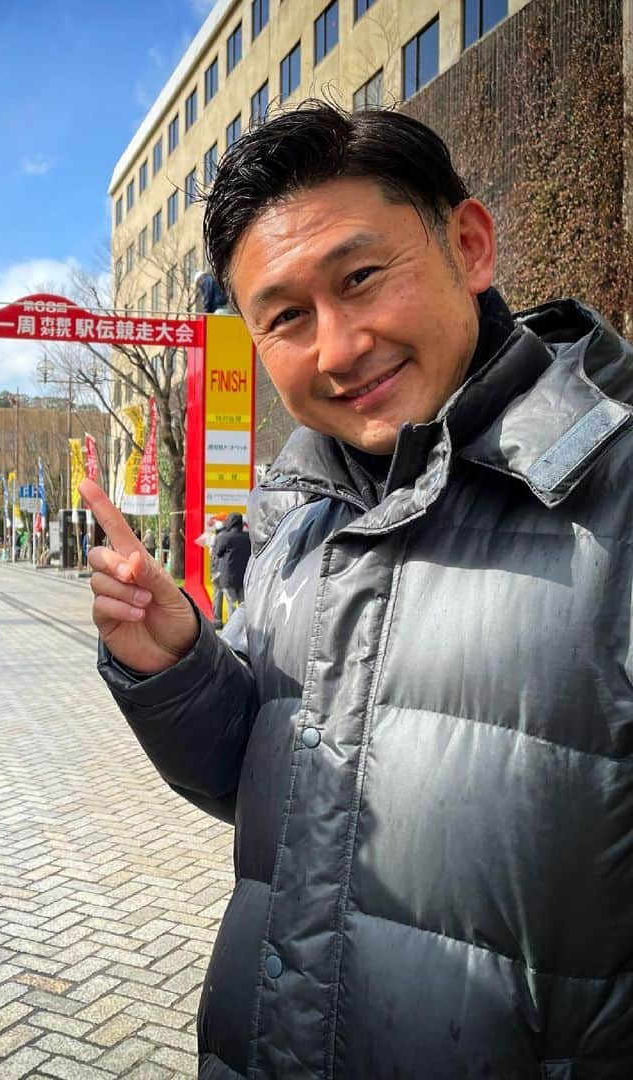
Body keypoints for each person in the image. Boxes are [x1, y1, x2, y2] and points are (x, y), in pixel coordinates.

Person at [80, 101, 633, 1077]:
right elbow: (285, 796)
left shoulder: (615, 502)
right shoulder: (301, 524)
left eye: (362, 278)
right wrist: (176, 666)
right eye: (287, 317)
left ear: (468, 245)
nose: (337, 348)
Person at [211, 512, 249, 627]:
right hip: (244, 575)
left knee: (231, 603)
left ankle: (232, 628)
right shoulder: (248, 537)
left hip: (228, 576)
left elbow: (217, 552)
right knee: (244, 603)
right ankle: (244, 627)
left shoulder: (224, 537)